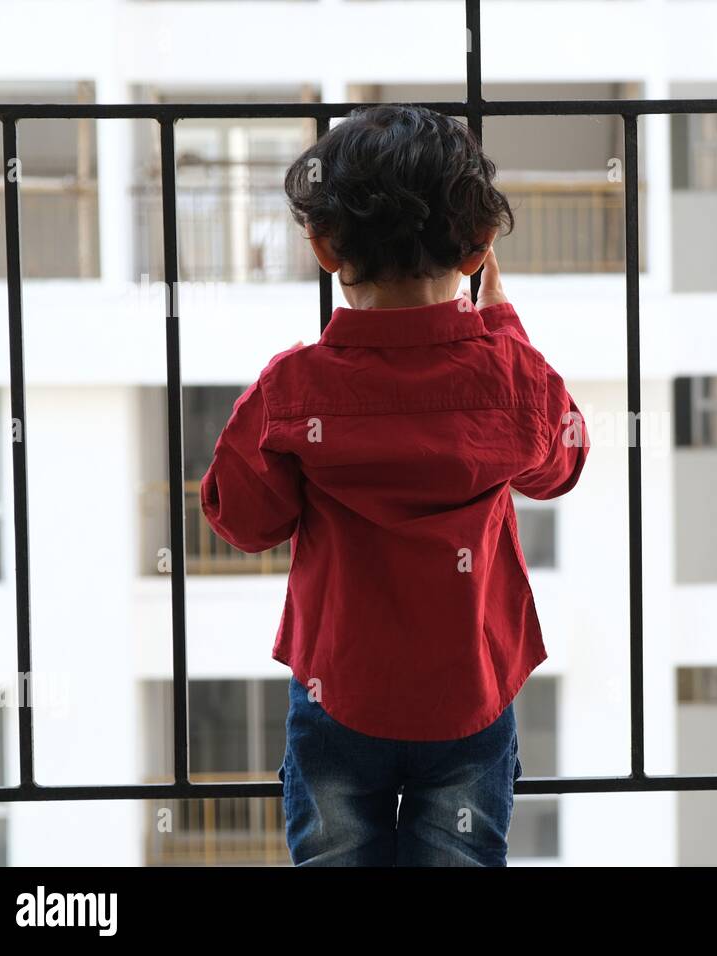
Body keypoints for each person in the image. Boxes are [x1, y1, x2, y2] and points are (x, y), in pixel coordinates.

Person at [199, 104, 589, 866]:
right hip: (468, 699)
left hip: (339, 695)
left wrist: (271, 401)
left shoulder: (297, 389)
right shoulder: (513, 379)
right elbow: (561, 466)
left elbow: (243, 519)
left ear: (322, 245)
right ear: (479, 248)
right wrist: (501, 326)